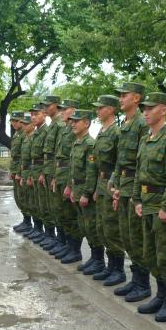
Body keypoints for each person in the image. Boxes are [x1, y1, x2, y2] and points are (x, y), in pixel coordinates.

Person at [133, 92, 166, 323]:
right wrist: (137, 200)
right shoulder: (145, 139)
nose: (145, 111)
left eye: (150, 108)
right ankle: (160, 296)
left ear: (163, 111)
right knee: (150, 254)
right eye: (144, 108)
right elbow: (139, 173)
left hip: (162, 206)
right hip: (146, 204)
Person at [111, 81, 151, 302]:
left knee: (136, 238)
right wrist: (116, 184)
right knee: (126, 236)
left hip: (136, 186)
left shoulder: (141, 124)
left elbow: (142, 161)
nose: (120, 98)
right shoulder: (125, 124)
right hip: (124, 185)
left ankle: (143, 283)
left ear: (136, 98)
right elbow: (120, 158)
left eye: (124, 95)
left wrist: (137, 195)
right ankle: (135, 280)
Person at [91, 94, 125, 285]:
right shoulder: (102, 132)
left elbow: (119, 164)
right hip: (101, 184)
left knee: (112, 229)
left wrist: (116, 189)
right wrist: (97, 187)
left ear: (111, 109)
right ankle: (110, 266)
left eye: (100, 107)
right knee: (102, 227)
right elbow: (97, 165)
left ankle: (118, 269)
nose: (97, 110)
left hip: (111, 184)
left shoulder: (116, 133)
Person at [63, 109, 97, 265]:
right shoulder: (76, 143)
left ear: (87, 123)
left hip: (84, 191)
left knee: (90, 226)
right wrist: (70, 187)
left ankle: (98, 260)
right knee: (83, 225)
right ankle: (90, 257)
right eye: (72, 121)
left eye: (77, 121)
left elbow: (91, 171)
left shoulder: (89, 144)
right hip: (76, 189)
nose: (73, 124)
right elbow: (72, 169)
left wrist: (86, 193)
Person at [51, 99, 81, 260]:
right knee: (62, 212)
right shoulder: (65, 130)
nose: (62, 112)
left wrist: (70, 183)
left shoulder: (74, 131)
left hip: (69, 175)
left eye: (65, 109)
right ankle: (67, 245)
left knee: (70, 214)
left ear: (74, 110)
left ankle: (75, 249)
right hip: (60, 173)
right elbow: (59, 156)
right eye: (60, 110)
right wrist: (56, 176)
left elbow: (73, 159)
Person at [39, 95, 64, 250]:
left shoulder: (60, 125)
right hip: (48, 169)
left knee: (57, 207)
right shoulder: (52, 124)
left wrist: (55, 175)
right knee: (51, 206)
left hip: (55, 170)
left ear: (56, 105)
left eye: (48, 105)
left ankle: (62, 242)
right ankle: (56, 239)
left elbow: (58, 153)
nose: (45, 108)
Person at [26, 103, 49, 242]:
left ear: (45, 114)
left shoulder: (46, 131)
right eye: (32, 115)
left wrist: (42, 173)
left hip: (41, 171)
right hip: (34, 170)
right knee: (37, 203)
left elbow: (47, 156)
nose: (33, 117)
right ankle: (39, 230)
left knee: (45, 204)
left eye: (37, 114)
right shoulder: (36, 133)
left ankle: (49, 234)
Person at [9, 111, 32, 233]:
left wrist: (18, 171)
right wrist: (11, 170)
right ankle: (25, 220)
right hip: (16, 169)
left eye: (15, 121)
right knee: (19, 197)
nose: (13, 123)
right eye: (12, 121)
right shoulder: (17, 134)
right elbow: (15, 155)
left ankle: (29, 223)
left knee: (24, 196)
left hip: (22, 171)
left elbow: (23, 156)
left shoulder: (25, 134)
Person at [18, 113, 36, 237]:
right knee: (25, 199)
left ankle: (36, 228)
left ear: (32, 125)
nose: (23, 126)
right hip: (24, 172)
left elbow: (33, 160)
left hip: (30, 173)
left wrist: (29, 176)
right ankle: (28, 223)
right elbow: (22, 159)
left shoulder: (33, 138)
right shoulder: (25, 138)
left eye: (26, 123)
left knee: (33, 201)